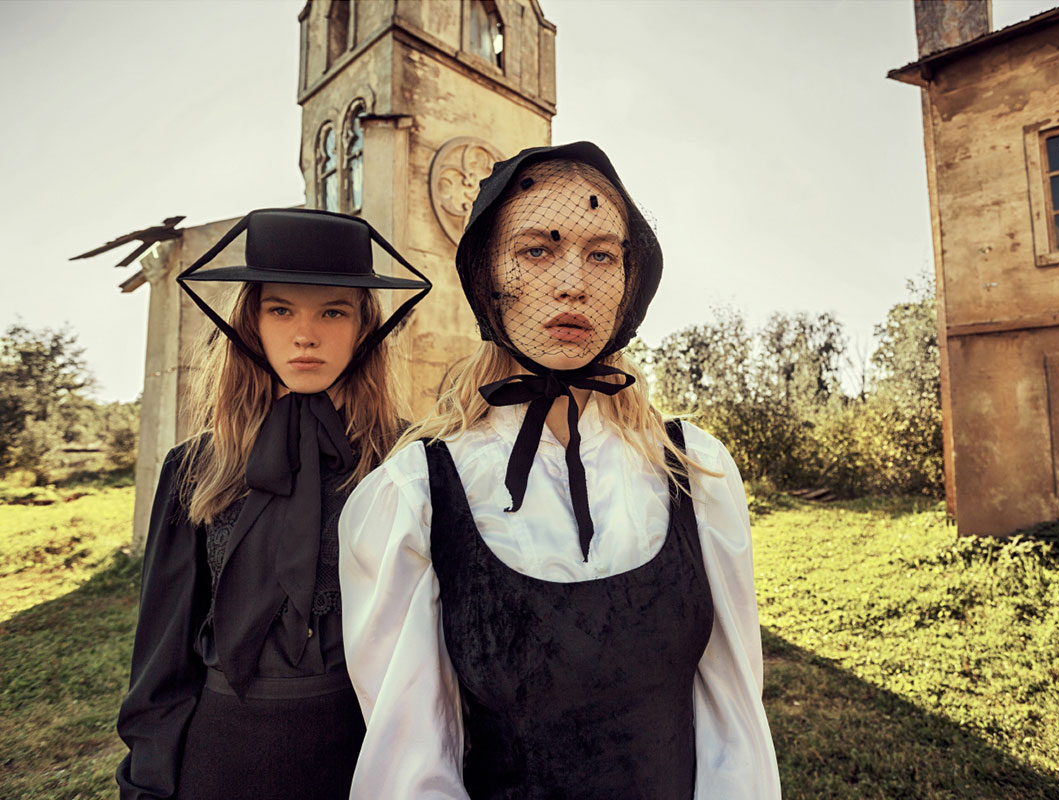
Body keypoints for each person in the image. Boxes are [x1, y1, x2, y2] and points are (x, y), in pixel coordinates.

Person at [339, 142, 781, 798]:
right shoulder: (417, 495)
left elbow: (734, 725)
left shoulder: (694, 470)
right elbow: (411, 765)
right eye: (536, 251)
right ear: (486, 276)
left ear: (630, 281)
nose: (574, 283)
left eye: (601, 255)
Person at [115, 208, 430, 800]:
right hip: (219, 758)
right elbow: (160, 658)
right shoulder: (195, 467)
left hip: (363, 757)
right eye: (281, 310)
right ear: (251, 323)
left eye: (332, 312)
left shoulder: (410, 464)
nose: (305, 335)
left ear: (364, 326)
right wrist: (147, 786)